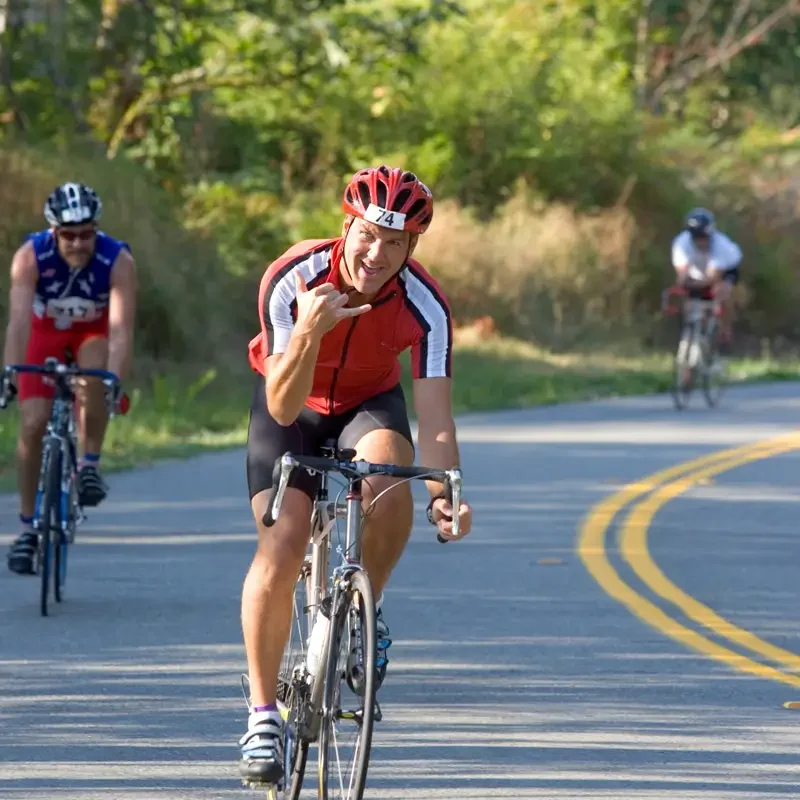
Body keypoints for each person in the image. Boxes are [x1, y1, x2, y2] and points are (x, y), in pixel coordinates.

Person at [239, 165, 473, 784]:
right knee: (283, 542)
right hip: (290, 402)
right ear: (348, 225)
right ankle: (264, 718)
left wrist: (445, 493)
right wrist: (313, 329)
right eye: (369, 234)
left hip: (368, 404)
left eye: (395, 242)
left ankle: (362, 610)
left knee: (392, 477)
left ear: (412, 246)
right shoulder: (293, 276)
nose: (378, 253)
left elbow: (437, 422)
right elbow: (284, 404)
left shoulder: (426, 305)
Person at [2, 182, 137, 575]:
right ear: (53, 232)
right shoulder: (30, 255)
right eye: (68, 235)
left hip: (92, 332)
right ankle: (27, 529)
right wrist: (9, 374)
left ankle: (89, 465)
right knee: (32, 424)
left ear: (97, 230)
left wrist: (113, 380)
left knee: (95, 367)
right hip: (46, 333)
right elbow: (19, 322)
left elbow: (121, 329)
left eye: (86, 234)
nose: (78, 243)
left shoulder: (117, 260)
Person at [671, 207, 742, 348]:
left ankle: (725, 330)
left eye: (704, 237)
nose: (701, 241)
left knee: (721, 293)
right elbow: (682, 276)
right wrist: (686, 285)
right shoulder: (681, 244)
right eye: (697, 237)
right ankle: (691, 328)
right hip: (698, 272)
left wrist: (697, 285)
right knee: (688, 296)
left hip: (727, 268)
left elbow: (713, 277)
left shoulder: (721, 246)